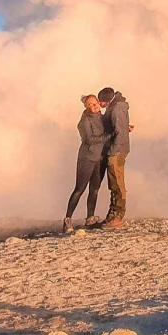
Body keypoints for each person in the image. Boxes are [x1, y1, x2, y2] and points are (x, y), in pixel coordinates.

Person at [62, 94, 108, 233]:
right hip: (86, 158)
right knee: (80, 189)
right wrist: (109, 136)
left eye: (95, 104)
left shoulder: (101, 117)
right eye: (90, 105)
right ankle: (67, 220)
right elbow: (89, 139)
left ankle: (90, 218)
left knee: (94, 189)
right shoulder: (84, 121)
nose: (94, 107)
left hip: (99, 158)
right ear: (86, 107)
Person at [96, 86, 131, 228]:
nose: (100, 104)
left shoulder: (116, 109)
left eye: (100, 102)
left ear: (105, 100)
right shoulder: (117, 106)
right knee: (113, 182)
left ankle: (118, 216)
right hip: (117, 149)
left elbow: (120, 133)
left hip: (117, 150)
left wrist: (113, 151)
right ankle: (112, 214)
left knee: (117, 182)